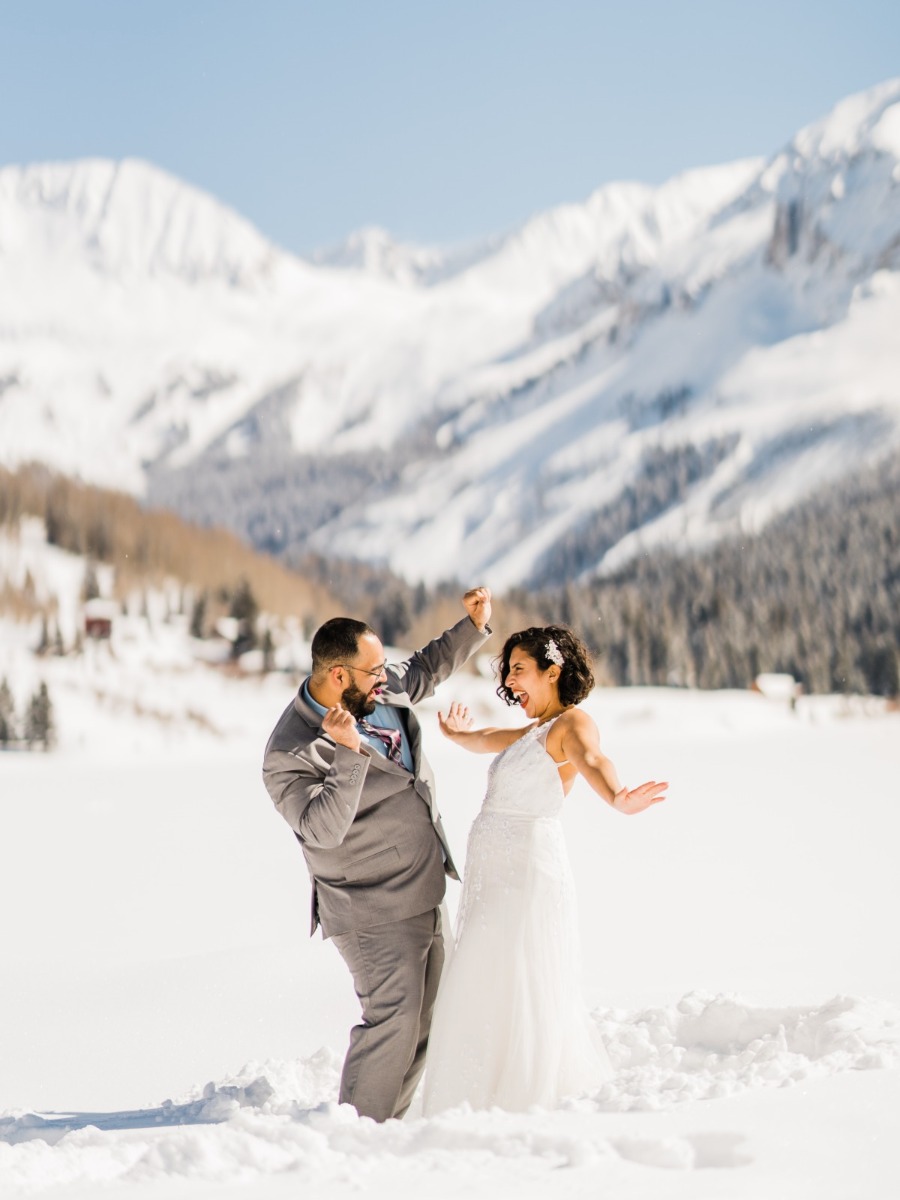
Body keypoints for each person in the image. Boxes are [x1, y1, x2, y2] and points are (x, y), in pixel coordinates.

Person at [261, 587, 492, 1123]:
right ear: (338, 675)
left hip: (425, 886)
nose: (384, 677)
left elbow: (424, 669)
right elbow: (321, 829)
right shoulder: (289, 752)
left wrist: (471, 625)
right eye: (372, 670)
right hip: (371, 910)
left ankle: (389, 1130)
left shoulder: (378, 692)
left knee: (427, 1025)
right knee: (392, 1022)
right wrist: (347, 755)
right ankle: (356, 1137)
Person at [422, 624, 668, 1115]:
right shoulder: (537, 730)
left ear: (552, 671)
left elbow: (593, 758)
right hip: (497, 876)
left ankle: (523, 1096)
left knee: (517, 975)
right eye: (507, 670)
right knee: (486, 973)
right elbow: (494, 738)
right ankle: (481, 1091)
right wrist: (459, 734)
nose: (510, 681)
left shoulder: (572, 725)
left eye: (519, 669)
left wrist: (617, 796)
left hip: (526, 873)